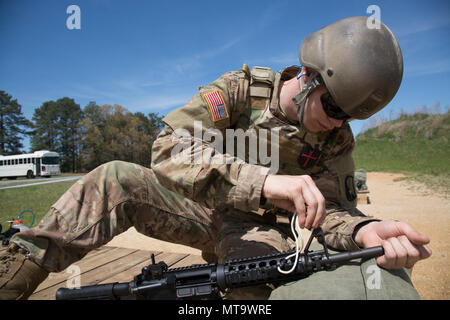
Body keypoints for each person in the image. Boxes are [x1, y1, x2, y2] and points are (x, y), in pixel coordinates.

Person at [0, 16, 431, 300]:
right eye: (334, 108)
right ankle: (13, 279)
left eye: (349, 118)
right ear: (306, 75)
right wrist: (263, 183)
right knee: (114, 178)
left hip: (268, 233)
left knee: (249, 280)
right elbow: (167, 150)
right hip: (205, 210)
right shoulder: (240, 92)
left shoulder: (336, 140)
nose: (338, 125)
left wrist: (364, 229)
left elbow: (333, 213)